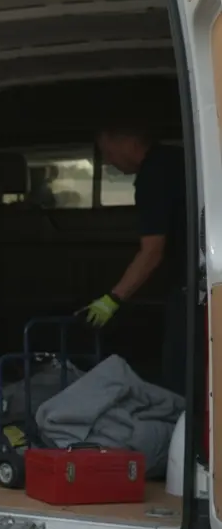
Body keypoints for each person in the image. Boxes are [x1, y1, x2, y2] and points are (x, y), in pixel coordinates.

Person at [87, 124, 189, 394]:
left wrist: (112, 299)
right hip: (195, 279)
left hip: (193, 287)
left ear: (130, 141)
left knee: (179, 373)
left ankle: (177, 424)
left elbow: (152, 251)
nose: (108, 161)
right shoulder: (176, 158)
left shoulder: (153, 176)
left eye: (107, 152)